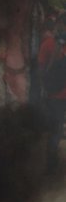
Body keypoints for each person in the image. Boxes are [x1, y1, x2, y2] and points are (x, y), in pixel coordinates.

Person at [38, 14, 66, 171]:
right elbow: (42, 69)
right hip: (56, 94)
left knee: (56, 127)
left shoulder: (48, 43)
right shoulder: (50, 44)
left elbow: (41, 69)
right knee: (56, 128)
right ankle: (51, 160)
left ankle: (52, 160)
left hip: (55, 94)